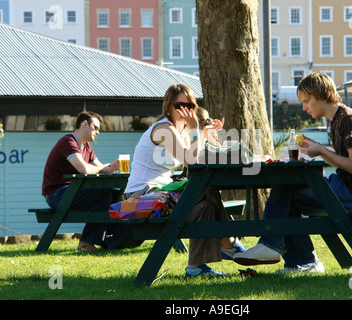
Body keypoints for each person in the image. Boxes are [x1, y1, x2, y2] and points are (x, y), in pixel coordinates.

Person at [234, 72, 352, 274]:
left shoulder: (349, 120)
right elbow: (345, 162)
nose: (304, 107)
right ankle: (301, 263)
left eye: (306, 101)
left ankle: (275, 247)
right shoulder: (336, 120)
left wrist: (321, 150)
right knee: (287, 193)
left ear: (320, 95)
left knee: (286, 189)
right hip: (345, 187)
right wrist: (319, 148)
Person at [124, 84, 246, 277]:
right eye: (179, 105)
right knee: (204, 188)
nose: (185, 110)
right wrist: (196, 129)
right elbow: (190, 160)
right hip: (141, 196)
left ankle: (196, 268)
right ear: (168, 106)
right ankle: (229, 243)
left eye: (190, 106)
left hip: (163, 192)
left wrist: (206, 134)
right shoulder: (164, 128)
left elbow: (197, 158)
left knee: (204, 205)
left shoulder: (181, 130)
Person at [42, 111, 122, 252]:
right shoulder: (68, 142)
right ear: (85, 124)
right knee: (103, 196)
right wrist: (103, 168)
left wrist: (110, 167)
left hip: (72, 191)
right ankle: (86, 243)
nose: (98, 132)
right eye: (96, 128)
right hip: (56, 195)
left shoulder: (87, 147)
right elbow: (84, 169)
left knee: (117, 196)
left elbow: (98, 167)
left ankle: (113, 240)